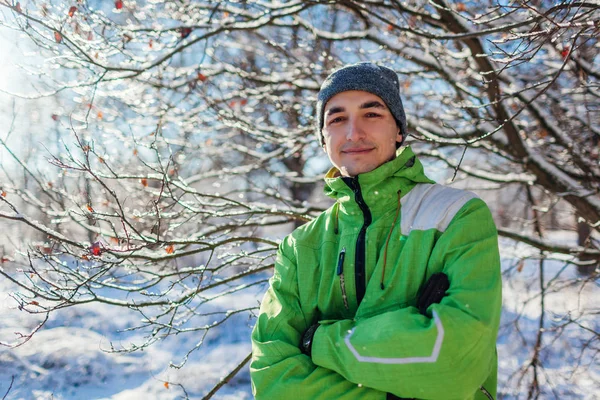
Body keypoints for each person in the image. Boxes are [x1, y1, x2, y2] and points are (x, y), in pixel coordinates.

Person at [250, 62, 502, 399]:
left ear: (398, 129)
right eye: (337, 119)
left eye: (372, 114)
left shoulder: (456, 216)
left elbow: (456, 361)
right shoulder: (300, 247)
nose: (353, 133)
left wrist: (318, 342)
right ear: (323, 139)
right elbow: (273, 381)